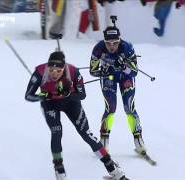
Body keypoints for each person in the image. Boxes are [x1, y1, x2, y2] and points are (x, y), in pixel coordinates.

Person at [25, 51, 128, 180]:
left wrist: (68, 94)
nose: (54, 74)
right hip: (50, 104)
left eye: (58, 71)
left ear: (64, 68)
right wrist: (45, 95)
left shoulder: (73, 72)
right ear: (47, 67)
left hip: (70, 103)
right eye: (51, 70)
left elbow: (82, 94)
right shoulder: (40, 72)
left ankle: (112, 168)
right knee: (56, 132)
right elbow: (28, 96)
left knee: (86, 134)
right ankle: (60, 171)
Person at [89, 21, 147, 155]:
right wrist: (103, 71)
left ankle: (138, 139)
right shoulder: (98, 48)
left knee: (129, 107)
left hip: (125, 77)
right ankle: (104, 141)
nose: (111, 46)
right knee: (111, 108)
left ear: (119, 40)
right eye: (108, 43)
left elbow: (135, 72)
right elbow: (92, 70)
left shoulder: (127, 47)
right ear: (104, 41)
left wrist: (124, 66)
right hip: (109, 78)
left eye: (115, 42)